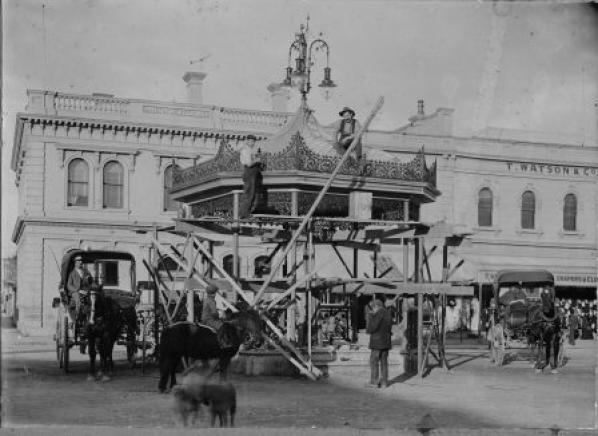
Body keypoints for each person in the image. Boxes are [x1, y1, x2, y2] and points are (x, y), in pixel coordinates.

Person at [365, 296, 393, 389]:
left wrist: (370, 316)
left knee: (374, 362)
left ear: (376, 306)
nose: (372, 309)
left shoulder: (378, 314)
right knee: (384, 363)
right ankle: (384, 382)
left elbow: (371, 328)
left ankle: (374, 382)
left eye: (373, 307)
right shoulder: (388, 313)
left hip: (377, 342)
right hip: (386, 342)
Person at [239, 134, 264, 218]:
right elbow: (249, 164)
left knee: (251, 193)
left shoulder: (250, 150)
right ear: (247, 141)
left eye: (254, 141)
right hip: (249, 171)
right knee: (249, 193)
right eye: (251, 141)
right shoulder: (246, 150)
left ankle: (246, 212)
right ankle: (244, 213)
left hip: (252, 173)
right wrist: (257, 160)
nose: (253, 143)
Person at [201, 283, 230, 348]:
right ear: (213, 293)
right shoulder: (212, 301)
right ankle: (220, 342)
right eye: (215, 293)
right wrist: (220, 316)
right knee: (223, 326)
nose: (216, 294)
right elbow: (214, 313)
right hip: (209, 320)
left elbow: (211, 310)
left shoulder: (207, 299)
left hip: (205, 319)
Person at [65, 255, 92, 324]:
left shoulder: (86, 272)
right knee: (78, 301)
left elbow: (91, 281)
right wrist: (77, 290)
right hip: (75, 292)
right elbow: (69, 285)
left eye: (81, 261)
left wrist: (89, 280)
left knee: (92, 299)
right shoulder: (72, 273)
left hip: (85, 291)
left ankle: (89, 318)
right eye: (79, 261)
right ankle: (76, 317)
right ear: (75, 263)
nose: (81, 262)